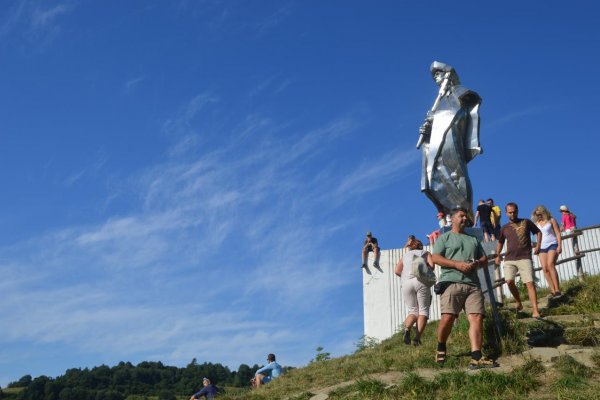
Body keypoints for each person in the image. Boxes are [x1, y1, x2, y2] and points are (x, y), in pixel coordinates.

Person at [432, 207, 498, 370]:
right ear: (452, 219)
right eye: (461, 216)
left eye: (465, 216)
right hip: (451, 282)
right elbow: (435, 258)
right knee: (448, 317)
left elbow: (483, 258)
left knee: (476, 317)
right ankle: (441, 345)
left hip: (473, 284)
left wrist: (476, 263)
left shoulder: (473, 240)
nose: (464, 218)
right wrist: (457, 264)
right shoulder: (444, 238)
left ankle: (476, 356)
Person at [417, 61, 482, 224]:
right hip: (438, 142)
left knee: (456, 172)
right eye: (434, 76)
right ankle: (448, 212)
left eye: (438, 73)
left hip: (451, 141)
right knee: (435, 175)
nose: (436, 77)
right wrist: (427, 130)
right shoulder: (441, 100)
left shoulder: (459, 92)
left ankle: (463, 211)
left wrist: (437, 118)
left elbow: (458, 114)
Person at [495, 203, 543, 319]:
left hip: (525, 257)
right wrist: (497, 255)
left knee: (530, 283)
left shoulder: (526, 222)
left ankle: (536, 310)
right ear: (506, 213)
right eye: (510, 212)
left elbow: (538, 232)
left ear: (517, 211)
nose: (513, 214)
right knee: (509, 281)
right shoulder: (504, 228)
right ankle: (518, 302)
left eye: (514, 211)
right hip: (509, 258)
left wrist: (538, 245)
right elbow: (500, 242)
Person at [394, 237, 434, 346]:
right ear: (421, 246)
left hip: (406, 283)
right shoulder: (425, 252)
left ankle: (407, 329)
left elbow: (397, 271)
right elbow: (432, 266)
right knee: (423, 311)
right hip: (421, 281)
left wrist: (406, 275)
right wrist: (424, 267)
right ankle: (417, 339)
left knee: (413, 310)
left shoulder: (405, 256)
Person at [532, 205, 563, 297]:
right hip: (541, 247)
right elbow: (534, 237)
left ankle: (557, 289)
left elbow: (558, 233)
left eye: (540, 214)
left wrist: (559, 246)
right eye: (537, 215)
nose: (539, 216)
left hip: (552, 244)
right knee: (545, 268)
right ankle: (552, 290)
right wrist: (535, 246)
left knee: (550, 265)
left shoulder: (551, 220)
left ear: (544, 212)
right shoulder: (536, 224)